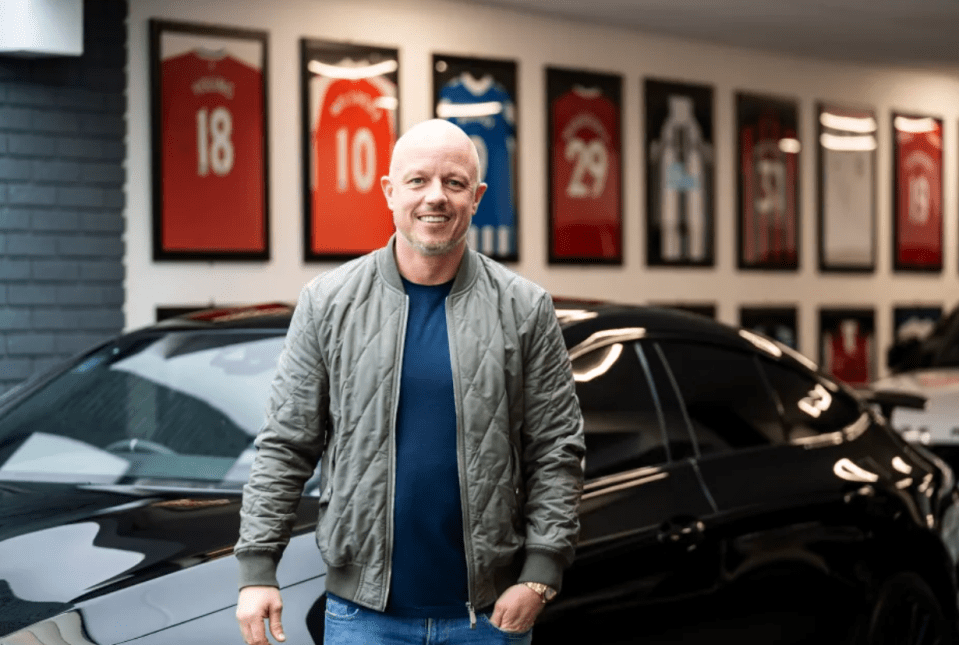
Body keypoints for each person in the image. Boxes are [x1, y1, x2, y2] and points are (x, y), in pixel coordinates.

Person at [235, 118, 585, 645]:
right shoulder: (329, 303)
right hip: (363, 617)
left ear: (477, 196)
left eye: (454, 183)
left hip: (489, 618)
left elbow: (556, 449)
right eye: (418, 180)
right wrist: (258, 566)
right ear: (389, 191)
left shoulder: (524, 308)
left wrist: (540, 572)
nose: (435, 198)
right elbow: (286, 444)